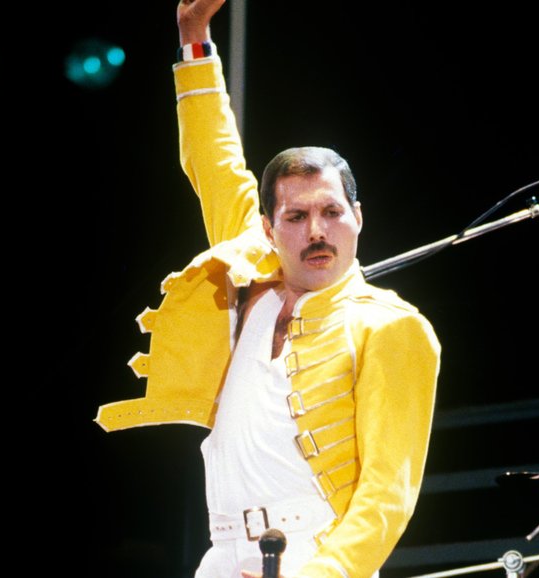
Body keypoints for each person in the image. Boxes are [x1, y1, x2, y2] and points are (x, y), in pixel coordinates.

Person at [95, 0, 441, 576]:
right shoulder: (252, 278)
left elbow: (387, 496)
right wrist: (194, 36)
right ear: (267, 229)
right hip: (221, 553)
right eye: (297, 216)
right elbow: (213, 162)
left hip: (312, 553)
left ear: (358, 217)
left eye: (332, 212)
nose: (317, 231)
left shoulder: (391, 325)